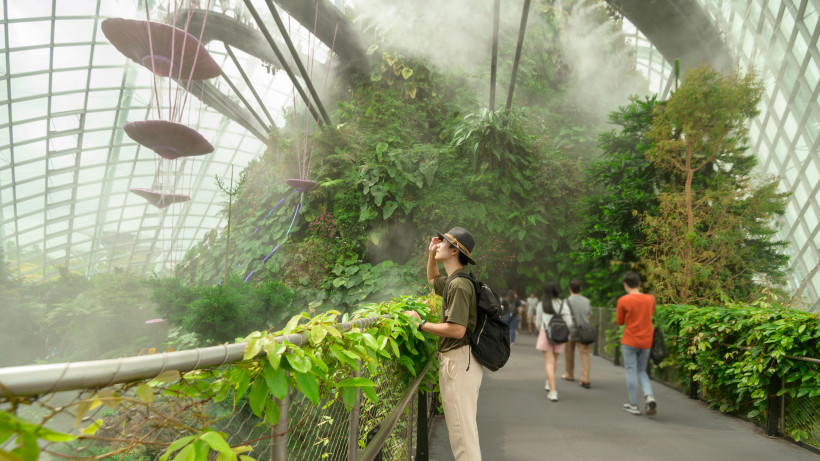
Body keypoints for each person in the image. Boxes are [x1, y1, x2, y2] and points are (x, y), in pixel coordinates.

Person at [404, 227, 483, 460]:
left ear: (454, 250)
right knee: (462, 431)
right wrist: (430, 254)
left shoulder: (459, 285)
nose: (438, 244)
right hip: (458, 361)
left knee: (462, 435)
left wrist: (421, 324)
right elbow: (431, 279)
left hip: (459, 362)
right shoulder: (453, 281)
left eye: (443, 243)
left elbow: (457, 330)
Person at [616, 271, 657, 416]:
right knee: (642, 370)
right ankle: (649, 396)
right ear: (639, 284)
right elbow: (650, 314)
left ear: (625, 285)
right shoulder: (650, 299)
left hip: (630, 340)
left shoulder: (623, 300)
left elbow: (620, 321)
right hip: (646, 340)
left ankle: (633, 404)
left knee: (631, 371)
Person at [534, 281, 573, 402]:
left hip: (546, 334)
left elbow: (538, 323)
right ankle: (548, 383)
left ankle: (553, 391)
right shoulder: (563, 304)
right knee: (554, 361)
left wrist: (541, 329)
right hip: (560, 335)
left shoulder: (542, 304)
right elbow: (570, 322)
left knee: (549, 363)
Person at [562, 279, 593, 389]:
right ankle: (585, 379)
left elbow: (564, 316)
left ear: (569, 289)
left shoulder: (566, 301)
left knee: (569, 353)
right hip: (584, 330)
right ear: (581, 288)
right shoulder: (586, 301)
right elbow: (589, 316)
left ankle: (569, 374)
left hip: (570, 330)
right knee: (585, 354)